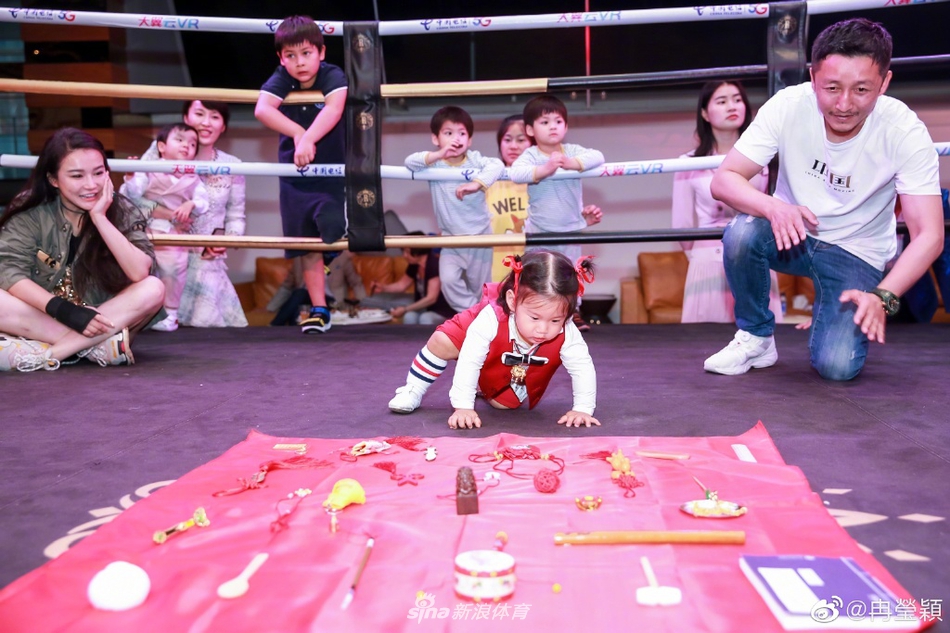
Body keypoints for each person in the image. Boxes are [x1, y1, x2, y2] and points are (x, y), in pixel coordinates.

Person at [705, 18, 944, 380]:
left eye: (862, 89)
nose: (844, 104)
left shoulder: (904, 132)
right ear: (813, 77)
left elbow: (929, 234)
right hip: (793, 235)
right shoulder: (788, 105)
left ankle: (830, 310)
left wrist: (883, 296)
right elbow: (725, 179)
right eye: (831, 87)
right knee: (741, 233)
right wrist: (773, 206)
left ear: (885, 83)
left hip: (856, 251)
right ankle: (756, 337)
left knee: (837, 367)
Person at [0, 128, 164, 372]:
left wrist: (100, 218)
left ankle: (49, 354)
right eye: (77, 176)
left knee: (154, 288)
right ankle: (97, 348)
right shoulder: (30, 209)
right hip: (44, 316)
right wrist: (64, 310)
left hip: (104, 318)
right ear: (53, 179)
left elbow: (139, 272)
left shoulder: (122, 210)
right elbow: (9, 272)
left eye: (98, 173)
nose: (91, 185)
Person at [386, 250, 598, 430]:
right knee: (442, 341)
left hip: (510, 358)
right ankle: (413, 388)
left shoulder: (567, 330)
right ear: (512, 301)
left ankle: (483, 385)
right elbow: (470, 359)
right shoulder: (489, 318)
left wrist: (582, 409)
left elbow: (582, 368)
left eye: (555, 320)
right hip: (477, 335)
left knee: (503, 405)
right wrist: (463, 407)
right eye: (534, 317)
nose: (543, 329)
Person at [255, 15, 347, 334]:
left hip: (329, 172)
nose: (299, 62)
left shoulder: (332, 73)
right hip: (295, 176)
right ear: (281, 58)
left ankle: (329, 255)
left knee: (332, 229)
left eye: (306, 53)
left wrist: (307, 138)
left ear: (321, 52)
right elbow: (262, 109)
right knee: (307, 247)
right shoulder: (282, 77)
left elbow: (335, 108)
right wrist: (298, 133)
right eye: (291, 56)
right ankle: (320, 309)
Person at [671, 81, 783, 323]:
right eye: (721, 101)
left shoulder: (766, 157)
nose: (731, 106)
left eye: (737, 99)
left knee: (764, 339)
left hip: (755, 255)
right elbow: (681, 222)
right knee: (703, 344)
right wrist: (700, 257)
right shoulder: (688, 163)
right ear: (704, 113)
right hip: (707, 260)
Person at [132, 99, 249, 329]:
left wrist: (227, 239)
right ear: (186, 118)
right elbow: (131, 199)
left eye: (215, 117)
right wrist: (170, 215)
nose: (206, 123)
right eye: (199, 114)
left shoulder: (232, 165)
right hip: (162, 253)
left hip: (206, 264)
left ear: (223, 126)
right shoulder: (160, 152)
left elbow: (236, 216)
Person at [508, 94, 604, 330]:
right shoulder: (530, 155)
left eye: (558, 121)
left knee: (572, 273)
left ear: (566, 126)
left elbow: (598, 156)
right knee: (536, 275)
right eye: (545, 122)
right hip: (540, 230)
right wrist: (545, 168)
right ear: (530, 129)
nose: (553, 126)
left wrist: (571, 163)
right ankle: (533, 315)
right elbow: (516, 174)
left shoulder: (572, 150)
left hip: (571, 228)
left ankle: (573, 313)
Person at [405, 106, 504, 312]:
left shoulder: (475, 159)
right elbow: (410, 162)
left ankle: (486, 318)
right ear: (436, 138)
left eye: (461, 133)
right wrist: (439, 154)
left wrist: (476, 183)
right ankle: (475, 314)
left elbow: (497, 165)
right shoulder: (434, 164)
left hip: (479, 238)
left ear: (469, 140)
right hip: (450, 239)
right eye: (448, 133)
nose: (455, 139)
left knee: (482, 288)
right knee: (448, 282)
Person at [121, 123, 208, 332]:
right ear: (161, 146)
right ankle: (133, 313)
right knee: (137, 271)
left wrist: (191, 204)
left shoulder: (193, 175)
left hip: (173, 232)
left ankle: (170, 314)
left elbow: (203, 202)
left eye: (193, 143)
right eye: (179, 140)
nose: (187, 146)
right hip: (144, 229)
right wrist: (131, 175)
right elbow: (131, 194)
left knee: (173, 271)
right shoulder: (149, 168)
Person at [369, 231, 455, 325]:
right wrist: (383, 287)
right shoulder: (414, 265)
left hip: (442, 310)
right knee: (409, 316)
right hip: (425, 308)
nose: (404, 255)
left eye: (406, 251)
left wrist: (405, 309)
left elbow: (431, 298)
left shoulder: (434, 264)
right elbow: (401, 285)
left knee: (426, 318)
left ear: (417, 250)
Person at [486, 114, 532, 282]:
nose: (513, 146)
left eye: (521, 140)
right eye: (507, 140)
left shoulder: (543, 181)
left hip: (534, 273)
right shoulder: (487, 181)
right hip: (496, 274)